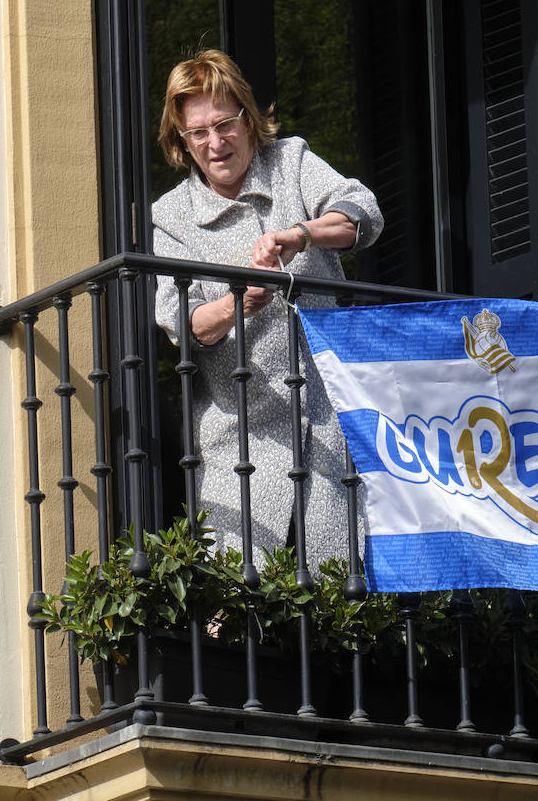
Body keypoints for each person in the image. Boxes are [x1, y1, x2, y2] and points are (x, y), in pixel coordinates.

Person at [151, 50, 383, 565]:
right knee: (235, 588)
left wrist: (300, 234)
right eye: (198, 133)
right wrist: (240, 301)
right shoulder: (170, 217)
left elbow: (360, 213)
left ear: (248, 119)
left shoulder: (291, 163)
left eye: (224, 124)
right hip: (242, 436)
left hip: (334, 417)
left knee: (340, 584)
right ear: (182, 142)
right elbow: (182, 324)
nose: (215, 143)